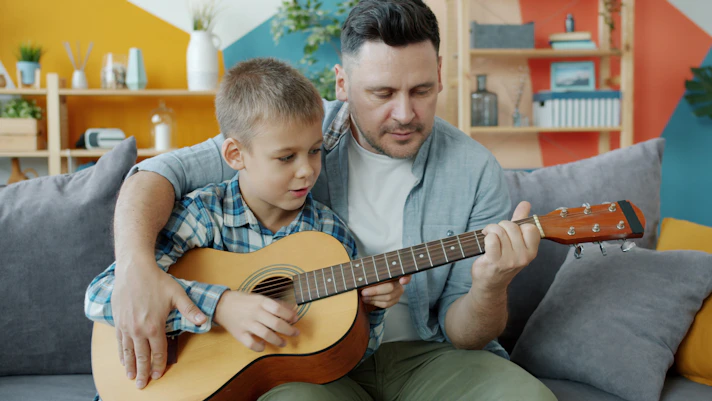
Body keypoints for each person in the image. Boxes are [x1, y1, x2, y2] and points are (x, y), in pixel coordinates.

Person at [108, 1, 557, 399]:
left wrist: (491, 284)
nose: (404, 113)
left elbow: (466, 335)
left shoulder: (475, 170)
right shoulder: (294, 131)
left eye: (421, 90)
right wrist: (135, 268)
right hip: (307, 359)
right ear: (342, 83)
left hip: (427, 356)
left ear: (440, 75)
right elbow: (157, 173)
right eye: (381, 93)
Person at [84, 57, 396, 391]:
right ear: (235, 155)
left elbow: (350, 358)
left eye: (315, 151)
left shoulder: (330, 235)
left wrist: (368, 310)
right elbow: (100, 295)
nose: (306, 170)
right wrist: (220, 305)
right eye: (286, 157)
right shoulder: (203, 215)